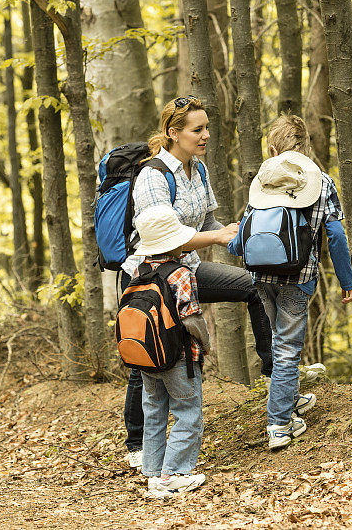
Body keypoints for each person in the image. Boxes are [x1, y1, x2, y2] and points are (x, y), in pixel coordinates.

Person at [121, 96, 273, 468]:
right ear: (173, 133)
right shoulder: (153, 176)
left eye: (207, 128)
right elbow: (167, 239)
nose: (206, 135)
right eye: (197, 129)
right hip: (151, 277)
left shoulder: (199, 171)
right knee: (154, 352)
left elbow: (206, 226)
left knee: (250, 286)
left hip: (187, 271)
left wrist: (242, 237)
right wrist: (219, 239)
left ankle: (275, 373)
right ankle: (137, 445)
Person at [228, 114, 352, 450]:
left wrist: (233, 246)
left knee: (279, 341)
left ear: (273, 148)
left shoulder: (263, 181)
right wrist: (346, 279)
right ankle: (279, 424)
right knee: (287, 349)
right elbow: (337, 235)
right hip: (297, 279)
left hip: (259, 276)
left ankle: (289, 400)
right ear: (307, 151)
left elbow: (247, 225)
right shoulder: (322, 182)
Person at [126, 205, 210, 496]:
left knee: (155, 413)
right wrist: (206, 346)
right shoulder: (181, 274)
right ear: (176, 243)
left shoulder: (140, 271)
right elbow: (191, 319)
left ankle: (152, 473)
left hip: (147, 359)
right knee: (188, 413)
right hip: (180, 359)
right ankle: (172, 474)